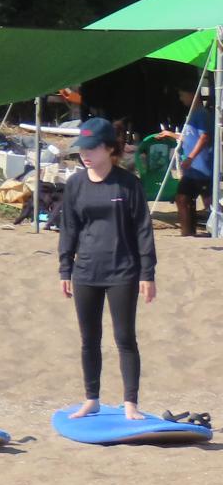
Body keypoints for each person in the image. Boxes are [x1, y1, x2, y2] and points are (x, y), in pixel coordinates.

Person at [57, 116, 156, 421]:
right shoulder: (75, 184)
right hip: (86, 271)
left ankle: (130, 403)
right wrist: (65, 269)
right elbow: (69, 228)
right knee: (89, 339)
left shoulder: (128, 184)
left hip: (123, 271)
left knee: (125, 338)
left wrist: (147, 273)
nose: (84, 154)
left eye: (91, 147)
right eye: (81, 148)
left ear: (109, 148)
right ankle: (92, 399)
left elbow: (143, 230)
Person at [172, 88, 213, 238]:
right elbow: (189, 137)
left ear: (192, 95)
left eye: (182, 95)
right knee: (184, 197)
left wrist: (190, 157)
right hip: (193, 168)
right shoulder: (192, 114)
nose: (181, 99)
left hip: (201, 165)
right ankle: (188, 233)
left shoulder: (201, 114)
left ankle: (189, 232)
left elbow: (204, 137)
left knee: (206, 200)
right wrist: (170, 134)